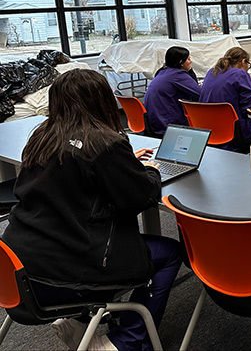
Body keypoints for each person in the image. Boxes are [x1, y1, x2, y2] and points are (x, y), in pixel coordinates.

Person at [2, 69, 181, 351]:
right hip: (67, 274)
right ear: (101, 100)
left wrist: (122, 165)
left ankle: (79, 323)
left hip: (18, 266)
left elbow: (73, 174)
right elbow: (140, 196)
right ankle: (127, 341)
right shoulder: (104, 143)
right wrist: (148, 172)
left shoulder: (41, 138)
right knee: (170, 253)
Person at [200, 46, 251, 151]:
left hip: (209, 131)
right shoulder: (240, 74)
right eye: (248, 64)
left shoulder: (212, 72)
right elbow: (249, 109)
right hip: (234, 133)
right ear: (243, 62)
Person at [144, 45, 201, 135]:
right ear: (181, 62)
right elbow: (200, 93)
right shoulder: (178, 75)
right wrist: (190, 71)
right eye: (188, 59)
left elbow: (193, 87)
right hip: (168, 125)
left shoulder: (162, 72)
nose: (191, 62)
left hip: (155, 122)